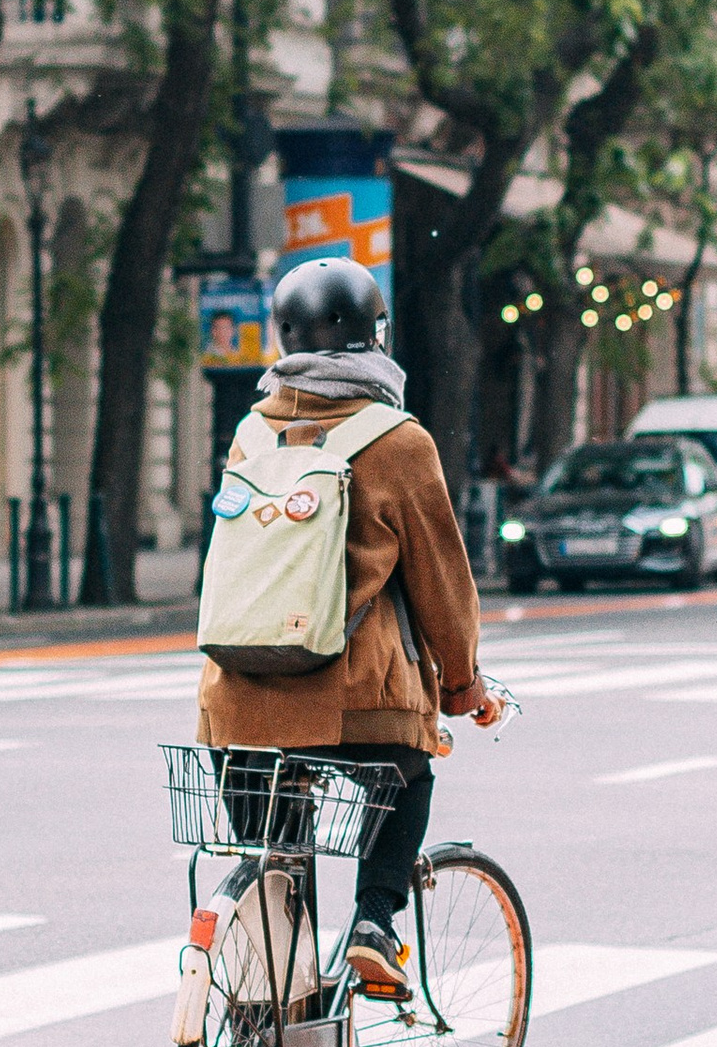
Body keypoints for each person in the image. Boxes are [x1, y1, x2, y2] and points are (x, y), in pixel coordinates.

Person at [197, 252, 497, 997]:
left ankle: (259, 1044)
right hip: (357, 699)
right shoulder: (398, 442)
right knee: (411, 772)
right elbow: (442, 586)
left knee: (275, 861)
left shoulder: (250, 432)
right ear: (376, 338)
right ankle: (373, 924)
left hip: (234, 700)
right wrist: (462, 686)